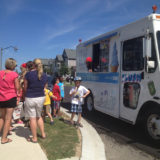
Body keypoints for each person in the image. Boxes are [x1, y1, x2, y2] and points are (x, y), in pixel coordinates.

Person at [24, 58, 47, 143]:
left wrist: (25, 95)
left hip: (30, 97)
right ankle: (43, 134)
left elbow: (25, 87)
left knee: (32, 118)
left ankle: (34, 138)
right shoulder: (44, 75)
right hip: (41, 97)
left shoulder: (28, 74)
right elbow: (44, 86)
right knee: (39, 116)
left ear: (33, 64)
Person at [0, 58, 20, 144]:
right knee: (8, 119)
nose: (15, 67)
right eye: (15, 65)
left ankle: (3, 134)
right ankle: (4, 138)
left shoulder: (0, 73)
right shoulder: (14, 74)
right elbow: (17, 87)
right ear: (12, 65)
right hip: (10, 97)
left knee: (2, 117)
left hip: (1, 98)